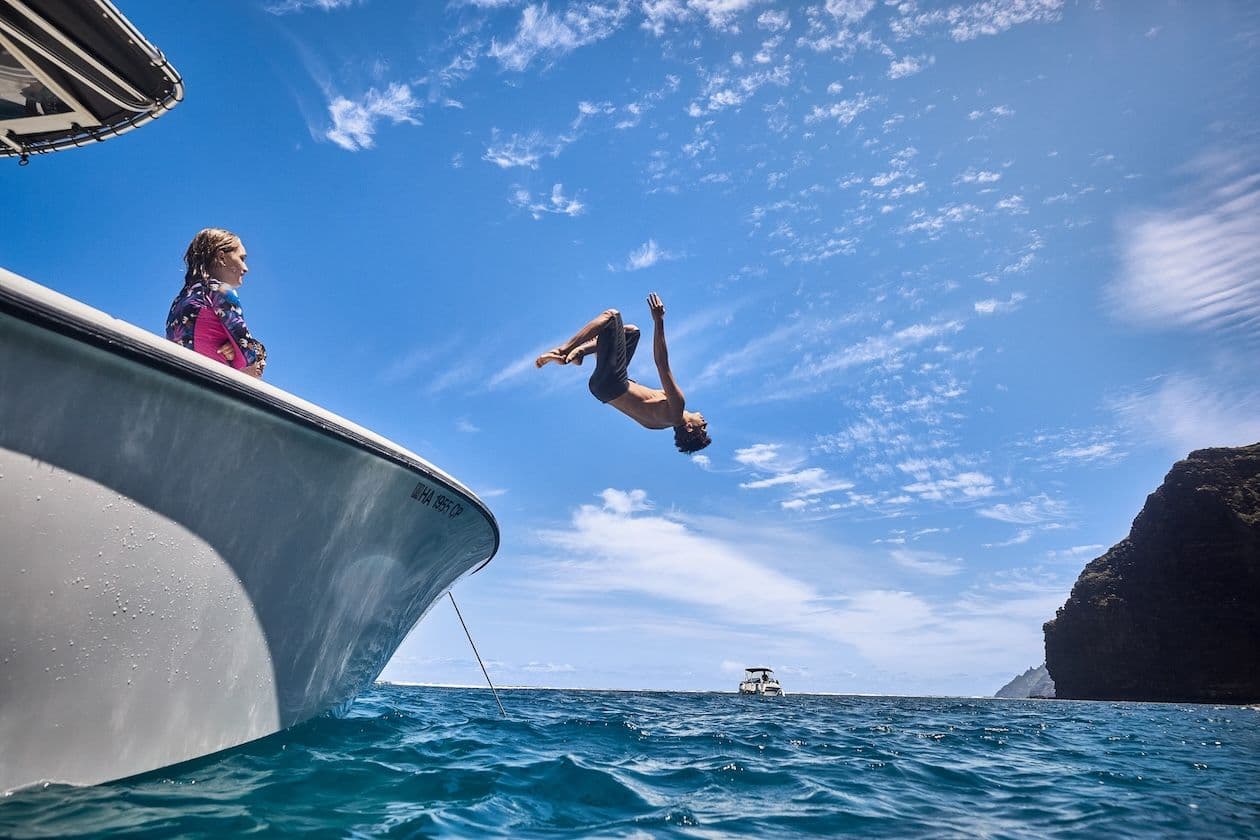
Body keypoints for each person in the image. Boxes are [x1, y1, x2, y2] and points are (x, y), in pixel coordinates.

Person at [535, 292, 711, 454]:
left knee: (612, 316)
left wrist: (658, 321)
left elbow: (662, 364)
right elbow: (632, 401)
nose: (705, 423)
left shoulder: (677, 407)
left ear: (689, 428)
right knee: (632, 333)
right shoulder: (655, 425)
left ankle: (563, 352)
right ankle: (581, 353)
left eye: (702, 428)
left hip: (614, 383)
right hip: (601, 390)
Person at [166, 228, 267, 378]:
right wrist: (258, 351)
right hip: (212, 383)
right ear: (221, 257)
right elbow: (248, 357)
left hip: (179, 380)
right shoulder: (220, 291)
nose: (245, 268)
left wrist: (233, 347)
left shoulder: (179, 301)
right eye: (242, 258)